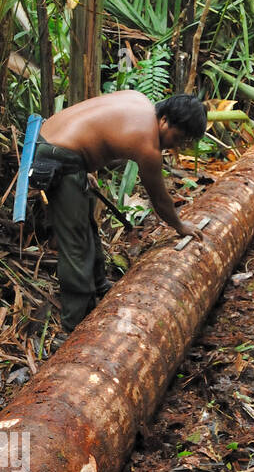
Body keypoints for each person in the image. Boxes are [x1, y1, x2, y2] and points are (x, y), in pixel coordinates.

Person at [30, 90, 208, 335]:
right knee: (74, 243)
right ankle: (73, 326)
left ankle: (100, 286)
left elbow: (98, 130)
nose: (174, 146)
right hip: (56, 155)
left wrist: (84, 168)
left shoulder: (141, 100)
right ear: (165, 121)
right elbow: (159, 199)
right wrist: (180, 226)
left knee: (85, 225)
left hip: (52, 140)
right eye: (176, 137)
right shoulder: (148, 144)